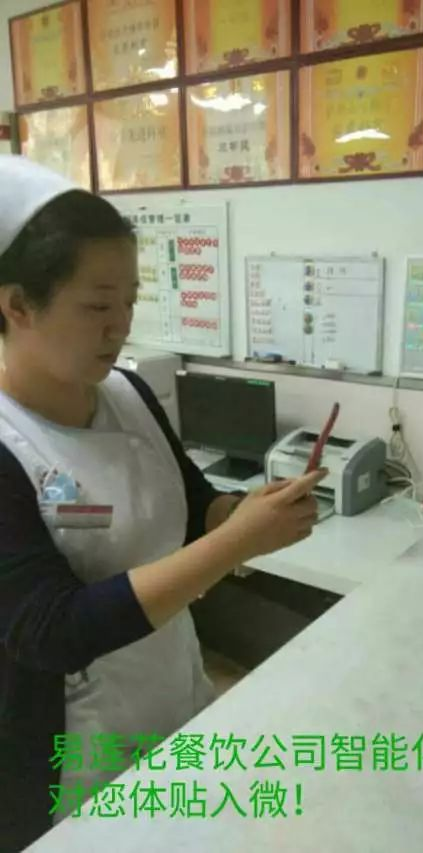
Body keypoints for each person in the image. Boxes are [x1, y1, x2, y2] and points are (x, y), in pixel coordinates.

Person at [0, 155, 327, 851]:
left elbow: (193, 502)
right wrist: (236, 543)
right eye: (97, 306)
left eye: (130, 301)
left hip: (177, 700)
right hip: (72, 755)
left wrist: (248, 512)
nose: (119, 326)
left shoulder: (129, 392)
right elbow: (52, 629)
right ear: (18, 305)